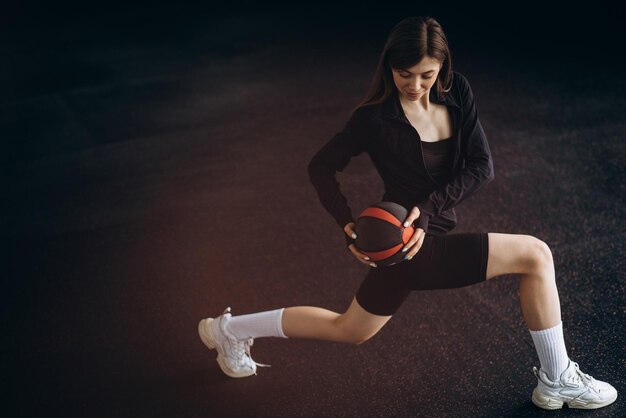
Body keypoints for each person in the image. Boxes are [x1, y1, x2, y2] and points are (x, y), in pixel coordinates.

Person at [197, 16, 618, 410]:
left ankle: (228, 330)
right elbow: (320, 167)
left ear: (442, 68)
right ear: (389, 68)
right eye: (404, 75)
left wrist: (430, 209)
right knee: (535, 255)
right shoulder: (373, 119)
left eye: (427, 75)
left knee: (350, 329)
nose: (415, 85)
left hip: (419, 233)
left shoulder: (458, 94)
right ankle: (557, 378)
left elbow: (481, 167)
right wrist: (347, 226)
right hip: (404, 242)